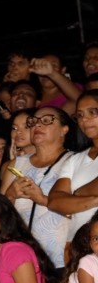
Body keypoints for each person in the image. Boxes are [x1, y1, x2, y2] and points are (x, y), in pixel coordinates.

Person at [0, 107, 73, 270]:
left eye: (46, 120)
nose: (37, 125)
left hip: (62, 259)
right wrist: (10, 195)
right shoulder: (16, 165)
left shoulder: (75, 162)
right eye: (33, 122)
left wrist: (43, 200)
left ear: (64, 129)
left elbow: (84, 212)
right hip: (22, 262)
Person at [48, 90, 98, 243]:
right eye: (80, 115)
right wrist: (94, 200)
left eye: (92, 112)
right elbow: (54, 202)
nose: (85, 119)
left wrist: (75, 196)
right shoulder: (75, 160)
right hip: (77, 244)